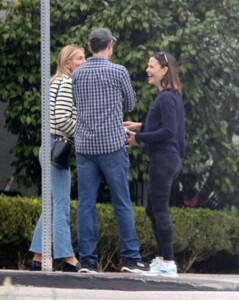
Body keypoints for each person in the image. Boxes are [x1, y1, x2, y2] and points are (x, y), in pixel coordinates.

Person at [72, 28, 149, 273]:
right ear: (110, 45)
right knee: (121, 201)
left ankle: (87, 260)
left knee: (86, 203)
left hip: (84, 145)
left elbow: (76, 102)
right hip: (112, 145)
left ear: (90, 45)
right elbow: (130, 103)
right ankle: (130, 258)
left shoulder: (77, 73)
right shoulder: (118, 71)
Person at [124, 52, 185, 277]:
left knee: (159, 209)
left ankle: (168, 262)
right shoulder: (168, 96)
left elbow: (168, 131)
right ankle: (162, 260)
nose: (147, 71)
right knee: (153, 209)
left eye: (151, 67)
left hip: (164, 158)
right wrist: (141, 126)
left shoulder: (167, 97)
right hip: (167, 158)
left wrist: (137, 138)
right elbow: (165, 125)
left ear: (164, 70)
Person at [29, 45, 86, 272]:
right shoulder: (65, 82)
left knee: (51, 205)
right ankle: (68, 258)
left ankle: (37, 256)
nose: (84, 61)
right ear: (68, 63)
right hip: (57, 146)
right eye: (79, 58)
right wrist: (84, 130)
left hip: (51, 146)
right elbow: (62, 120)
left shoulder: (56, 82)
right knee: (61, 205)